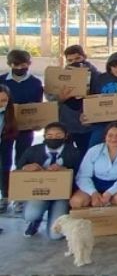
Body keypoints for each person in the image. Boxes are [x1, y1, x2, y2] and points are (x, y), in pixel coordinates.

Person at [17, 122, 80, 239]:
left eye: (58, 135)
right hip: (39, 192)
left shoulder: (74, 152)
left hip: (62, 195)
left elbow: (80, 175)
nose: (54, 138)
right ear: (44, 136)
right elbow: (18, 169)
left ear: (66, 136)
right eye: (50, 136)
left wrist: (65, 170)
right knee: (30, 215)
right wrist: (26, 168)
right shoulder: (33, 150)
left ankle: (60, 213)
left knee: (55, 235)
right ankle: (35, 221)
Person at [1, 50, 44, 214]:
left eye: (24, 64)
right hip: (5, 129)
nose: (20, 68)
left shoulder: (35, 83)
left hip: (25, 129)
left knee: (22, 161)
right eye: (16, 65)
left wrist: (38, 123)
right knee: (3, 162)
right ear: (10, 64)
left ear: (29, 64)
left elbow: (38, 107)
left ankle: (20, 197)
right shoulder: (2, 81)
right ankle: (5, 196)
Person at [71, 122, 117, 208]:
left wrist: (109, 193)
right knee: (76, 202)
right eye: (110, 135)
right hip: (95, 183)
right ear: (105, 136)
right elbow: (83, 176)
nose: (114, 139)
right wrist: (93, 193)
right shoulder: (94, 150)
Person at [54, 45, 100, 157]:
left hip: (88, 125)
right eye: (70, 60)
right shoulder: (61, 76)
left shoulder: (97, 76)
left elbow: (101, 99)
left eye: (77, 58)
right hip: (66, 123)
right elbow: (51, 99)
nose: (74, 62)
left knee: (87, 155)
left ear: (84, 57)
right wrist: (61, 98)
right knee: (65, 156)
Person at [0, 84, 19, 215]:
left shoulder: (9, 113)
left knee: (4, 168)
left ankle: (5, 198)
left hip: (4, 143)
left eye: (4, 100)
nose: (1, 104)